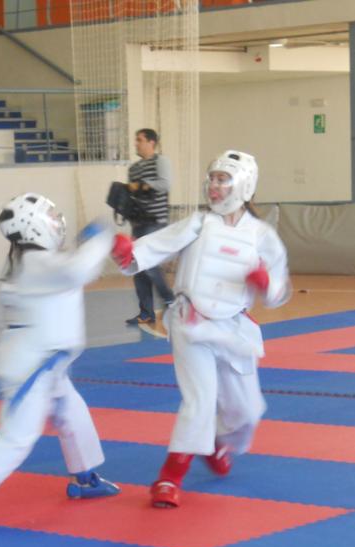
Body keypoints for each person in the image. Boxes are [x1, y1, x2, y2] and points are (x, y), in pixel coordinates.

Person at [0, 195, 121, 540]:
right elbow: (77, 270)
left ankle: (85, 478)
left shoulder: (19, 266)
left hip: (43, 363)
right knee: (16, 440)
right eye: (50, 216)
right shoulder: (36, 264)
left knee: (73, 413)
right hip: (33, 369)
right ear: (34, 226)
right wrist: (100, 238)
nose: (56, 222)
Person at [112, 150, 290, 508]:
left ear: (243, 185)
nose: (214, 186)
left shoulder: (262, 236)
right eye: (212, 179)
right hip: (190, 321)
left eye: (223, 179)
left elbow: (279, 292)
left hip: (233, 327)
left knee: (247, 412)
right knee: (200, 400)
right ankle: (169, 477)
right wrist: (131, 255)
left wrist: (266, 283)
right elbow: (162, 243)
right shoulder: (199, 223)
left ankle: (216, 444)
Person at [124, 128, 174, 326]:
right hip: (138, 223)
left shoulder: (161, 161)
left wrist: (142, 185)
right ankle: (146, 313)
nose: (136, 143)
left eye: (140, 140)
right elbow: (132, 195)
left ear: (151, 142)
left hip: (156, 222)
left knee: (150, 265)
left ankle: (170, 300)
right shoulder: (133, 168)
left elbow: (165, 184)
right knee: (138, 269)